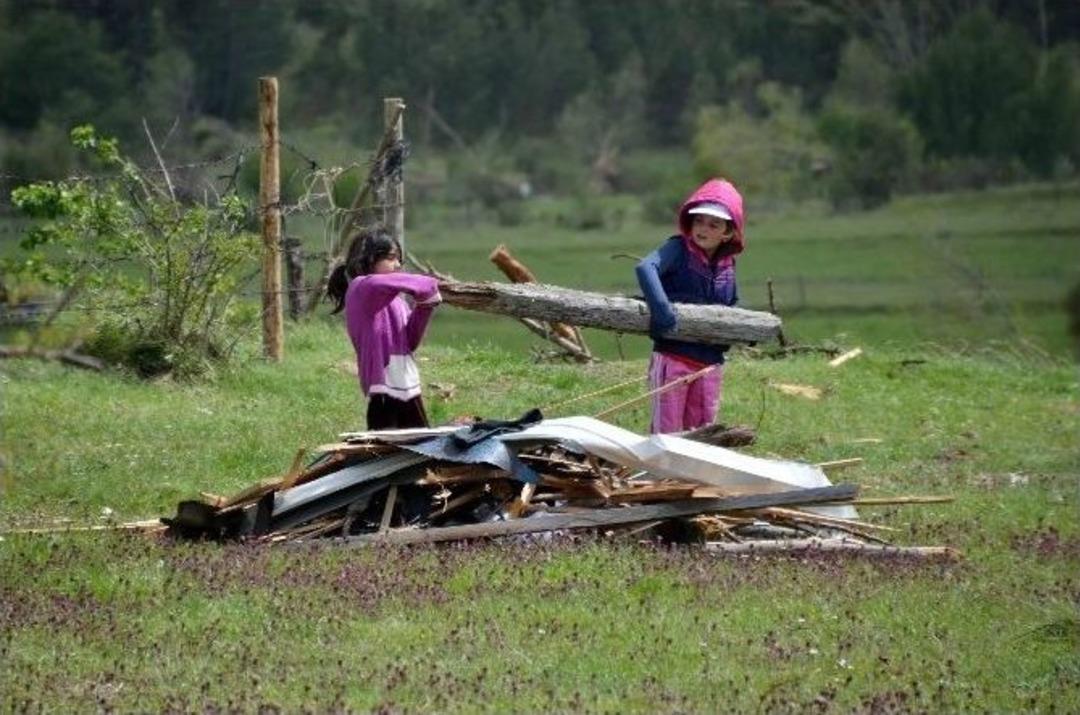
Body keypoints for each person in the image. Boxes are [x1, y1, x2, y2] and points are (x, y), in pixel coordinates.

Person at [635, 178, 745, 434]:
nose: (703, 229)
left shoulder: (728, 265)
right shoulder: (678, 249)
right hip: (673, 358)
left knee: (702, 433)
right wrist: (662, 311)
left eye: (713, 224)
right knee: (667, 434)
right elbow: (646, 268)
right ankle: (663, 464)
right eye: (699, 221)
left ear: (728, 233)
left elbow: (732, 303)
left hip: (710, 365)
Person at [327, 228, 442, 430]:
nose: (397, 265)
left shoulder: (398, 302)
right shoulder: (360, 288)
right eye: (390, 258)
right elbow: (392, 284)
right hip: (383, 389)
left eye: (399, 259)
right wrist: (430, 285)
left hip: (407, 386)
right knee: (386, 446)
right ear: (368, 259)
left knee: (420, 445)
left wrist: (425, 307)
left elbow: (410, 341)